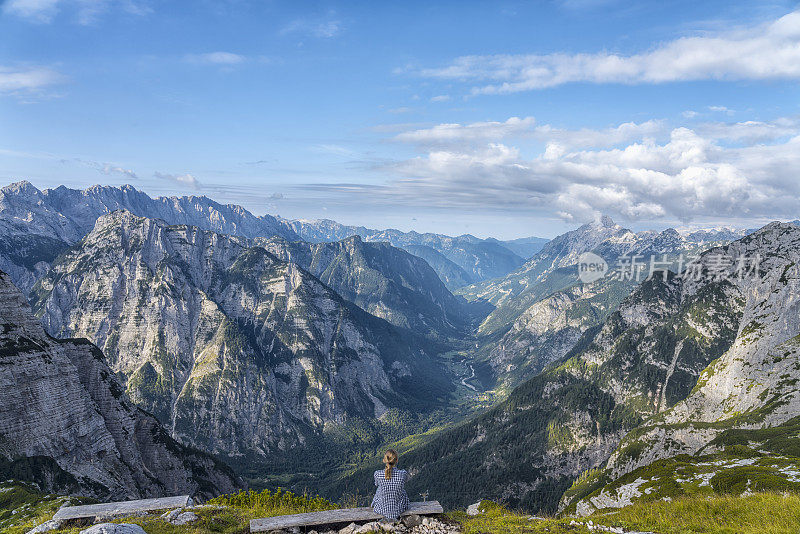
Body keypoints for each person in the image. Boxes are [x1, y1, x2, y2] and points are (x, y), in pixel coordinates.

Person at [371, 449, 409, 521]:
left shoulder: (377, 474)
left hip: (381, 509)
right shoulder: (403, 474)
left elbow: (376, 484)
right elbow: (405, 481)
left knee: (379, 488)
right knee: (402, 490)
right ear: (396, 460)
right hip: (399, 509)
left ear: (384, 460)